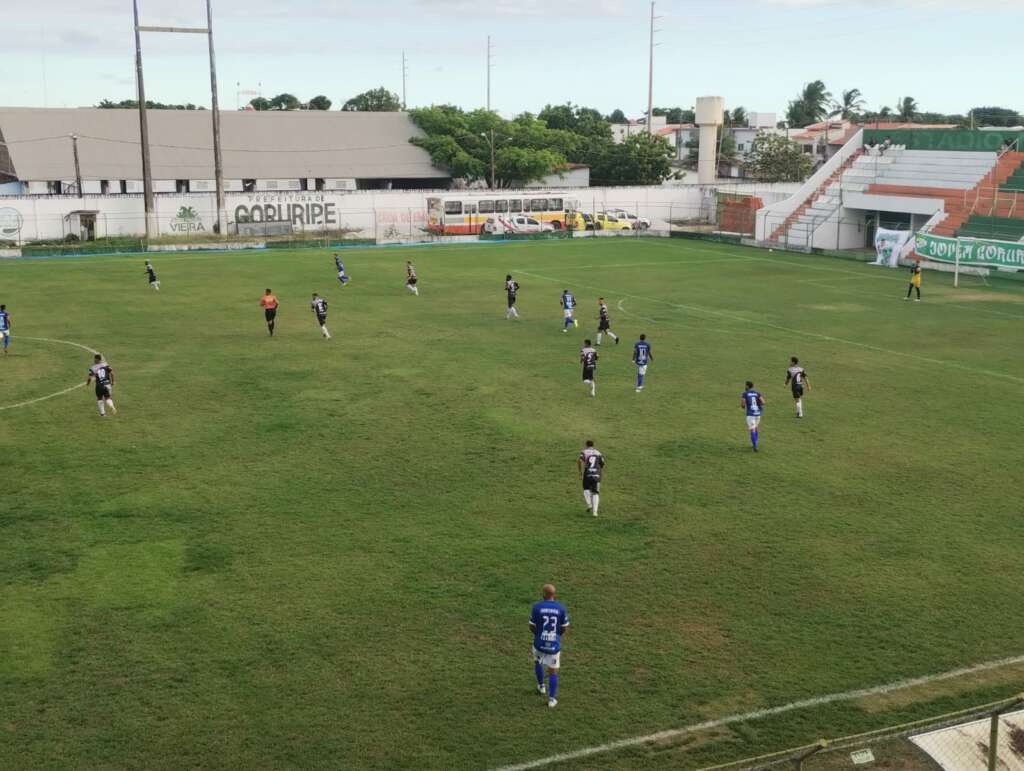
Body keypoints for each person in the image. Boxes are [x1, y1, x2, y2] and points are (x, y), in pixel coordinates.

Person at [529, 583, 570, 708]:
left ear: (543, 594)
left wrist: (538, 635)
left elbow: (531, 625)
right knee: (553, 672)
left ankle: (541, 686)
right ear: (554, 595)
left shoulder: (536, 607)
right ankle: (552, 699)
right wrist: (556, 636)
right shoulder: (561, 608)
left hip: (539, 643)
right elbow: (564, 628)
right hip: (553, 645)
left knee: (537, 662)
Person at [577, 440, 604, 517]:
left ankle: (589, 504)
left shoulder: (584, 451)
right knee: (596, 493)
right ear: (593, 445)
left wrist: (580, 472)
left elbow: (579, 461)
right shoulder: (598, 452)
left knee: (586, 489)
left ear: (586, 445)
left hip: (587, 472)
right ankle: (595, 512)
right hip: (596, 474)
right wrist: (600, 474)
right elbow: (602, 464)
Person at [740, 380, 765, 452]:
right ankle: (754, 443)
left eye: (745, 385)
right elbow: (763, 402)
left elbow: (743, 405)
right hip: (757, 414)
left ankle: (755, 446)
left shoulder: (745, 394)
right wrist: (758, 405)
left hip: (750, 415)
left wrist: (743, 405)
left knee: (752, 429)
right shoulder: (757, 393)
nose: (745, 387)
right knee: (756, 428)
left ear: (747, 386)